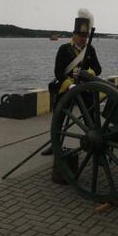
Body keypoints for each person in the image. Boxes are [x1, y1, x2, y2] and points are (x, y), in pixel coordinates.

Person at [44, 9, 102, 159]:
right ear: (74, 35)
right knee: (59, 116)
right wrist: (69, 84)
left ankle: (96, 145)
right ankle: (54, 143)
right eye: (81, 36)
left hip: (84, 88)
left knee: (91, 119)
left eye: (85, 36)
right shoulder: (64, 49)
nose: (83, 39)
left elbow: (98, 69)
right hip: (67, 87)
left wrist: (88, 73)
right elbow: (58, 72)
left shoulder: (90, 49)